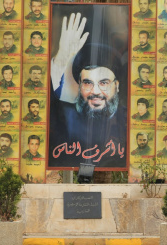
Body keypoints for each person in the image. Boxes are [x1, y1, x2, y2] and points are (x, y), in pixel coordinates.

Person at [49, 13, 127, 167]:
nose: (95, 92)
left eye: (104, 83)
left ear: (116, 86)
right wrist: (61, 59)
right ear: (79, 85)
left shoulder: (128, 119)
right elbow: (52, 97)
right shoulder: (66, 113)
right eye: (88, 83)